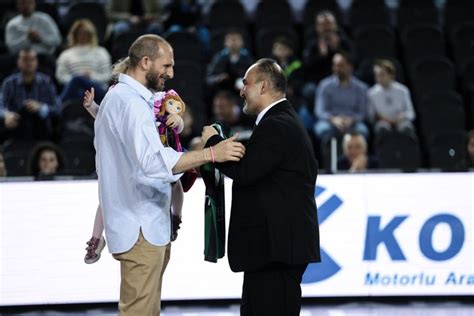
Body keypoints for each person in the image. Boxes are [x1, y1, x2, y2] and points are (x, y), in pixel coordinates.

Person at [94, 34, 245, 315]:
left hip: (142, 224)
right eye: (167, 66)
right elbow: (153, 164)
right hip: (140, 227)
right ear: (146, 62)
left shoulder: (120, 97)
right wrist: (210, 154)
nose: (171, 73)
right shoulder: (131, 104)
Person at [202, 58, 320, 316]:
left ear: (263, 86)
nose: (241, 90)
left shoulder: (277, 125)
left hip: (276, 251)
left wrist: (212, 145)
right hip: (271, 250)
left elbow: (245, 172)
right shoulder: (280, 121)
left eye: (246, 83)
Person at [82, 85, 187, 264]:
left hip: (161, 155)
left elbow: (179, 121)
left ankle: (175, 217)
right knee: (106, 198)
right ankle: (97, 238)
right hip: (130, 158)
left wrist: (177, 120)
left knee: (176, 184)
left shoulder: (163, 97)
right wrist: (92, 106)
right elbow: (104, 118)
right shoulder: (121, 97)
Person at [0, 48, 60, 140]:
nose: (28, 63)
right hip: (15, 127)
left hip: (40, 128)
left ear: (36, 62)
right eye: (25, 59)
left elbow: (57, 108)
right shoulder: (9, 83)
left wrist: (41, 107)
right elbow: (1, 106)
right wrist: (6, 114)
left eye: (32, 59)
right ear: (18, 62)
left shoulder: (46, 81)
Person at [314, 52, 369, 144]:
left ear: (349, 66)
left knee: (362, 130)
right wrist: (334, 119)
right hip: (331, 121)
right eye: (335, 65)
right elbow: (320, 110)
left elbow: (362, 112)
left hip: (352, 121)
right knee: (322, 129)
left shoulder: (361, 88)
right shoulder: (325, 85)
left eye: (340, 66)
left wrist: (351, 120)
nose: (336, 69)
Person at [56, 19, 112, 103]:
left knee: (78, 80)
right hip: (75, 89)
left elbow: (107, 75)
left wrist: (91, 76)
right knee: (77, 83)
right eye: (80, 33)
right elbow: (60, 76)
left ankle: (57, 106)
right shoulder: (66, 54)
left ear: (91, 35)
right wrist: (75, 79)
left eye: (86, 33)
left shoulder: (101, 52)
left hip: (96, 89)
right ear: (74, 35)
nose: (83, 36)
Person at [368, 59, 416, 139]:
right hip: (383, 121)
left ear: (391, 75)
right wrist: (379, 117)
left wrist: (402, 116)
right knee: (381, 128)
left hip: (401, 120)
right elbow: (370, 115)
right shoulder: (371, 93)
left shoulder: (403, 90)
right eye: (376, 75)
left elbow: (411, 113)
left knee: (407, 127)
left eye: (382, 74)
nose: (378, 78)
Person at [206, 29, 253, 95]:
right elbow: (209, 79)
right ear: (225, 43)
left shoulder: (247, 58)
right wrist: (218, 78)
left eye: (236, 39)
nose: (233, 42)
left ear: (242, 42)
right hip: (223, 91)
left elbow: (254, 77)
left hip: (243, 92)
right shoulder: (219, 58)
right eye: (231, 39)